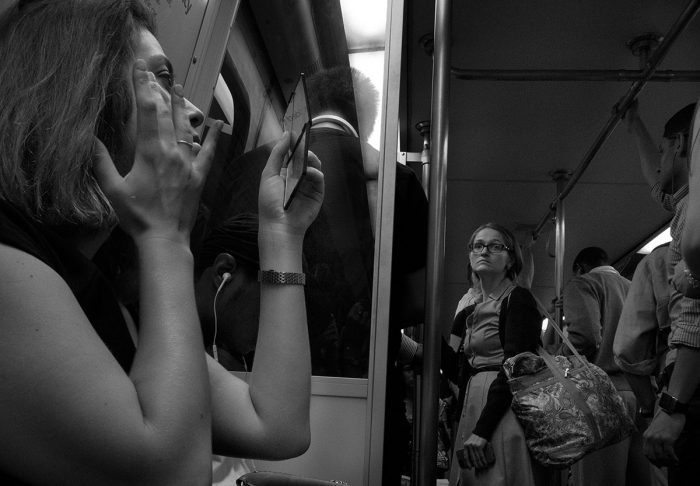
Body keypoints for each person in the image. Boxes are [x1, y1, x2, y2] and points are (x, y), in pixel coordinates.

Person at [0, 1, 324, 484]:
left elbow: (277, 425)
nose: (194, 113)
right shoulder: (9, 263)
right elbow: (173, 474)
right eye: (160, 80)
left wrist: (279, 235)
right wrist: (165, 235)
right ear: (83, 98)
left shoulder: (110, 294)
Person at [448, 223, 546, 486]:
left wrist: (483, 430)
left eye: (495, 246)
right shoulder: (472, 310)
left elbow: (515, 367)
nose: (484, 251)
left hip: (501, 409)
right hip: (475, 404)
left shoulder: (518, 298)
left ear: (511, 258)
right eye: (478, 245)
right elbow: (459, 367)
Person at [643, 98, 700, 486]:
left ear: (681, 144)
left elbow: (696, 314)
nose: (659, 160)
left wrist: (672, 405)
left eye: (664, 150)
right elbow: (658, 185)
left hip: (690, 377)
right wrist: (633, 126)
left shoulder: (693, 219)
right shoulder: (684, 207)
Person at [557, 247, 644, 486]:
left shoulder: (582, 283)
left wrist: (558, 358)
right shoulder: (635, 286)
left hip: (602, 395)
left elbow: (585, 337)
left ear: (579, 268)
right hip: (643, 394)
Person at [613, 244, 671, 486]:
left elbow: (629, 348)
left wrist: (651, 407)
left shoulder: (661, 260)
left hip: (673, 393)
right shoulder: (624, 285)